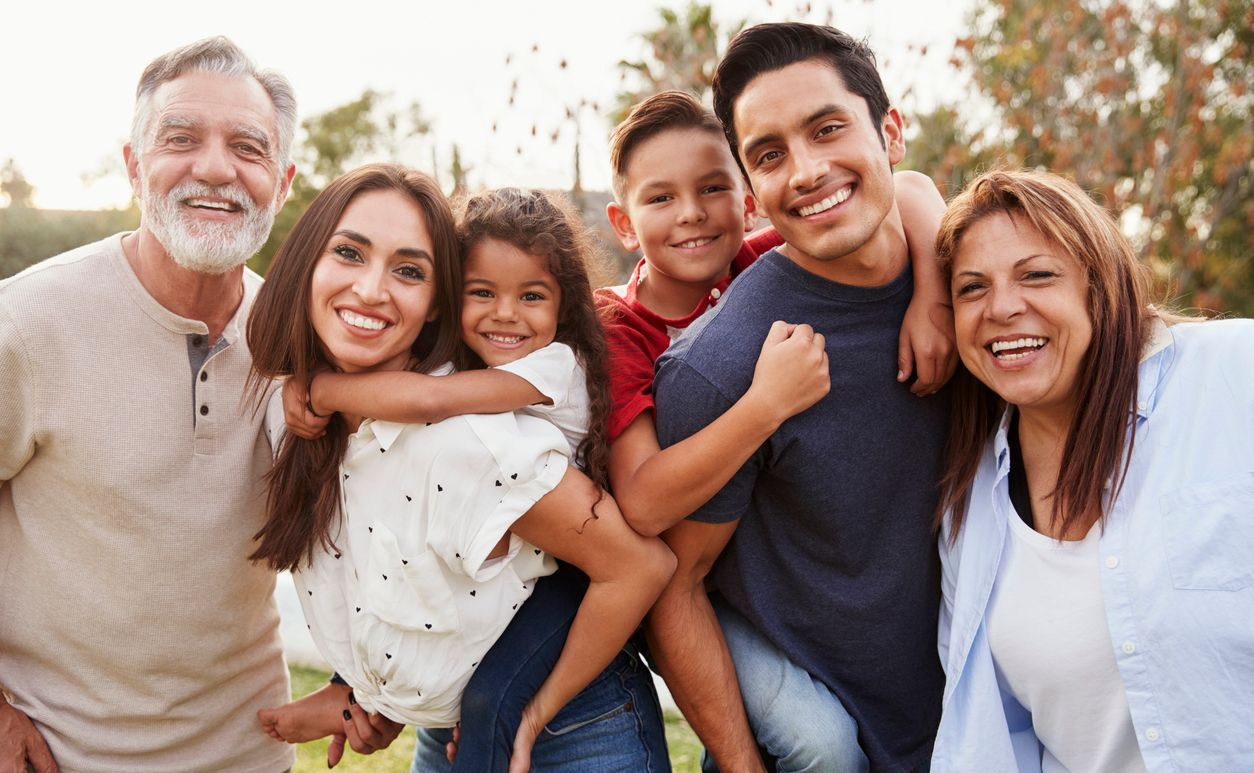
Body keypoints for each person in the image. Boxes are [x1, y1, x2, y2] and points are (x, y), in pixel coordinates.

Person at [247, 171, 675, 773]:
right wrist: (375, 695)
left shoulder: (480, 435)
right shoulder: (297, 416)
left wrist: (323, 388)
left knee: (495, 700)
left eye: (409, 270)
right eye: (348, 252)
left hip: (575, 723)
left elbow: (432, 405)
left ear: (433, 303)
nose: (371, 289)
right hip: (445, 716)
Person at [650, 23, 954, 773]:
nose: (808, 170)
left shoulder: (972, 291)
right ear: (752, 189)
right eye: (770, 154)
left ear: (891, 131)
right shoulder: (724, 370)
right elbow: (675, 586)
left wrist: (940, 294)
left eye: (827, 129)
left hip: (979, 727)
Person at [0, 37, 298, 773]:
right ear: (134, 167)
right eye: (181, 139)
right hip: (60, 755)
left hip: (253, 754)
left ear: (283, 182)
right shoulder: (26, 324)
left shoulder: (298, 341)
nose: (216, 168)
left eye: (248, 148)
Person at [930, 169, 1254, 772]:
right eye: (972, 288)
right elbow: (1002, 736)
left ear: (1099, 285)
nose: (1002, 307)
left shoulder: (1235, 373)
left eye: (1037, 274)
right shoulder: (967, 512)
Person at [598, 89, 953, 539]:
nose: (692, 213)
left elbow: (908, 185)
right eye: (660, 199)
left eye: (712, 188)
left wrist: (934, 298)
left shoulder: (759, 263)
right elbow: (642, 504)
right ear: (625, 225)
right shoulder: (616, 326)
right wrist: (767, 404)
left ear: (749, 206)